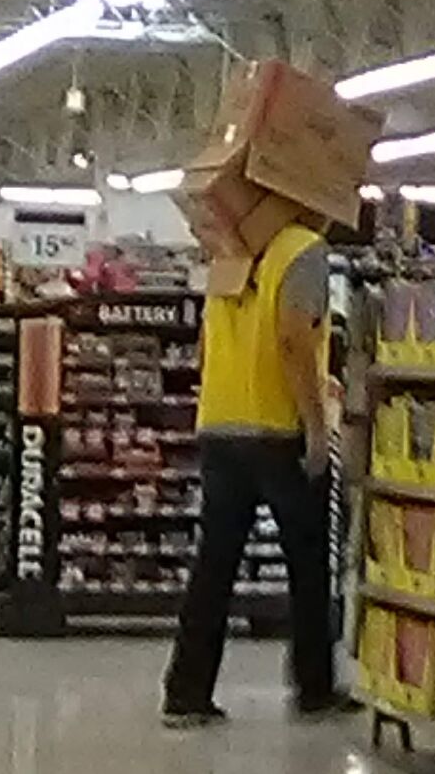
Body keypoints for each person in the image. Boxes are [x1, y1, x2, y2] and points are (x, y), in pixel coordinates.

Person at [162, 220, 341, 727]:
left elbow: (205, 344)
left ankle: (185, 692)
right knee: (308, 566)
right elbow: (293, 339)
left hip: (220, 425)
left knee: (213, 567)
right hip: (277, 430)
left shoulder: (231, 248)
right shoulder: (302, 250)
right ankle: (314, 687)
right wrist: (313, 423)